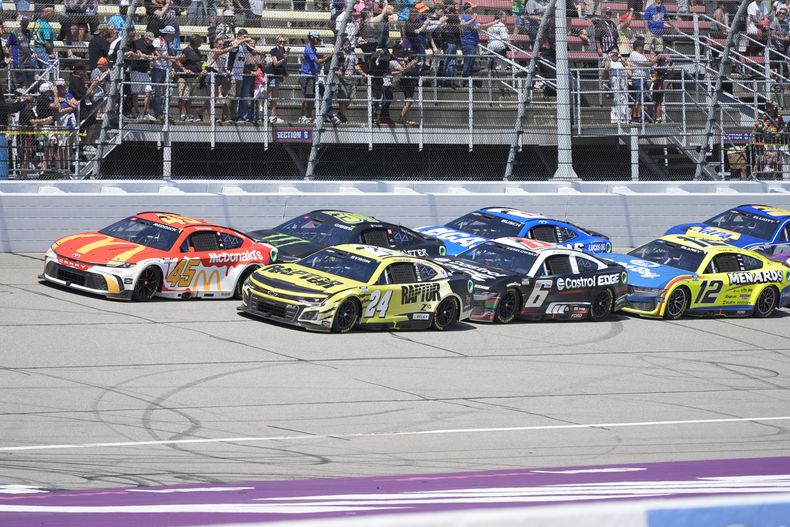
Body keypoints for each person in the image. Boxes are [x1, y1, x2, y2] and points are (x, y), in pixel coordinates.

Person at [299, 31, 333, 124]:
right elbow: (317, 61)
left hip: (312, 75)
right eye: (317, 39)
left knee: (312, 97)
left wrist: (325, 56)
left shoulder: (313, 48)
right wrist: (328, 57)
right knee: (307, 97)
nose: (318, 41)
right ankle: (303, 116)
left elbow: (317, 56)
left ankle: (309, 116)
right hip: (307, 75)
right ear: (312, 39)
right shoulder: (309, 49)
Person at [459, 2, 495, 82]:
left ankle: (466, 79)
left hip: (472, 43)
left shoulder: (470, 19)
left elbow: (479, 26)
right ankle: (464, 79)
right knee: (468, 62)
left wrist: (494, 23)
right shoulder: (465, 17)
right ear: (467, 9)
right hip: (468, 43)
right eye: (472, 8)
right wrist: (474, 19)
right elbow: (463, 24)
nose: (474, 9)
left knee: (470, 62)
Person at [175, 35, 204, 121]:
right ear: (194, 42)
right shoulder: (186, 51)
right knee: (183, 97)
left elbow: (199, 63)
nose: (201, 44)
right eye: (199, 42)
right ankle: (182, 114)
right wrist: (184, 69)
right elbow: (177, 60)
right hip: (185, 77)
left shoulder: (197, 51)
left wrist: (202, 70)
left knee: (189, 98)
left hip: (194, 77)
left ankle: (188, 114)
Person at [336, 37, 365, 123]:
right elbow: (336, 66)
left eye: (348, 44)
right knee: (343, 99)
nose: (347, 46)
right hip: (342, 80)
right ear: (342, 45)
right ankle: (342, 116)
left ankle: (340, 114)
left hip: (352, 79)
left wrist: (362, 73)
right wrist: (343, 73)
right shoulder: (339, 54)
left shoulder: (353, 54)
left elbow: (356, 65)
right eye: (345, 44)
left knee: (350, 98)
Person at [628, 38, 656, 122]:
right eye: (642, 46)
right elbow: (648, 63)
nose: (643, 48)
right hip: (638, 79)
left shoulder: (640, 55)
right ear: (638, 47)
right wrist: (656, 59)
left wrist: (652, 61)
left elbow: (648, 62)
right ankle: (635, 117)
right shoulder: (635, 54)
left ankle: (644, 117)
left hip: (643, 79)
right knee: (639, 98)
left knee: (645, 98)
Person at [7, 16, 35, 89]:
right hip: (19, 61)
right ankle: (23, 98)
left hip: (28, 61)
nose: (25, 24)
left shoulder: (28, 32)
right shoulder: (14, 32)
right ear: (20, 22)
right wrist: (8, 57)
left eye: (27, 22)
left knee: (30, 81)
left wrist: (32, 52)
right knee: (23, 83)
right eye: (24, 22)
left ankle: (24, 96)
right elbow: (6, 46)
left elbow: (27, 45)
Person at [266, 35, 288, 124]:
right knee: (272, 96)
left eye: (284, 42)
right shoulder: (274, 50)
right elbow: (275, 63)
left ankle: (273, 116)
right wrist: (284, 59)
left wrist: (284, 73)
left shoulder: (284, 51)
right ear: (277, 42)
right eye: (280, 42)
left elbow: (283, 64)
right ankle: (272, 116)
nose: (282, 43)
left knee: (275, 96)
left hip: (278, 75)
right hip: (272, 75)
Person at [605, 48, 628, 124]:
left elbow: (626, 65)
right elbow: (606, 68)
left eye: (616, 53)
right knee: (616, 99)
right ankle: (615, 117)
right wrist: (609, 57)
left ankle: (622, 117)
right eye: (613, 53)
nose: (615, 55)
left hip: (622, 81)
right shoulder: (609, 61)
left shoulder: (619, 62)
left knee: (623, 98)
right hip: (614, 80)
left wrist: (620, 57)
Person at [31, 6, 55, 72]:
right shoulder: (46, 26)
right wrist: (52, 52)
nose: (52, 16)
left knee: (38, 71)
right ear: (48, 14)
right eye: (52, 14)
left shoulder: (37, 22)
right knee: (48, 70)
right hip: (43, 50)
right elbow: (46, 42)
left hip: (36, 48)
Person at [768, 7, 789, 78]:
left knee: (780, 68)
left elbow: (788, 36)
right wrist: (783, 38)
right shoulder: (774, 23)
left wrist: (785, 37)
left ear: (786, 15)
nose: (781, 14)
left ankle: (778, 83)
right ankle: (772, 82)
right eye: (779, 13)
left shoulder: (786, 25)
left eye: (783, 13)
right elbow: (772, 35)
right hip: (773, 48)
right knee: (773, 67)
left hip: (781, 49)